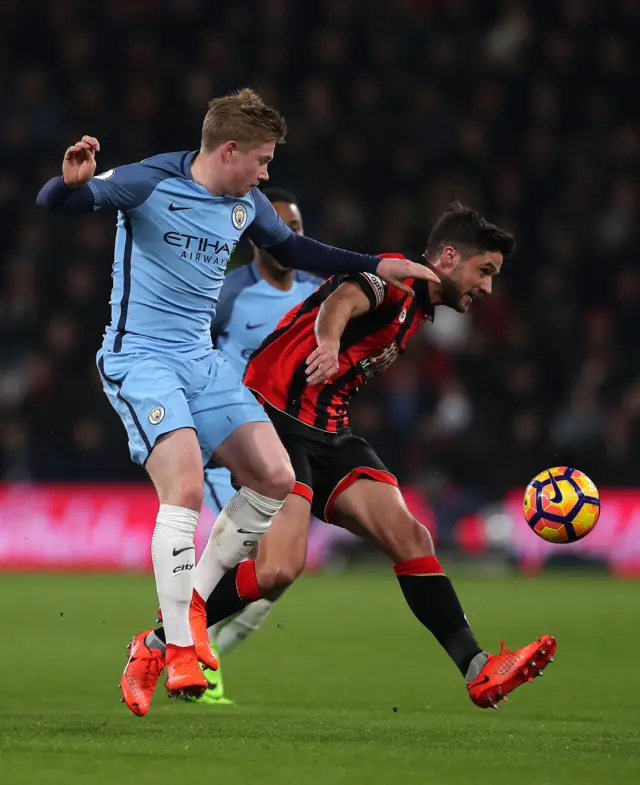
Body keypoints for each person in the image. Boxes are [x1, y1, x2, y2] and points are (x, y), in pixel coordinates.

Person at [36, 88, 439, 714]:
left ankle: (185, 618)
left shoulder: (246, 203)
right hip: (141, 359)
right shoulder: (146, 182)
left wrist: (377, 265)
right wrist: (67, 184)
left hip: (203, 363)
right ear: (230, 150)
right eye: (262, 159)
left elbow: (298, 251)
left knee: (275, 477)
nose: (266, 172)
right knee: (187, 490)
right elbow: (57, 204)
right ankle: (176, 649)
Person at [129, 201, 556, 712]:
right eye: (483, 271)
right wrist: (328, 343)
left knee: (411, 537)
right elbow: (343, 299)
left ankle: (477, 668)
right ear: (447, 256)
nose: (487, 287)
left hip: (330, 432)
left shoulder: (420, 307)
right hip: (276, 419)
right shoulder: (395, 281)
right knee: (279, 570)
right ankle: (157, 643)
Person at [200, 187, 322, 704]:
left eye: (293, 229)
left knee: (278, 574)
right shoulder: (227, 294)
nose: (285, 239)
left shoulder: (320, 296)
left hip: (294, 446)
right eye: (276, 230)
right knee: (240, 556)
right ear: (254, 239)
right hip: (235, 446)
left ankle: (208, 648)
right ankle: (194, 658)